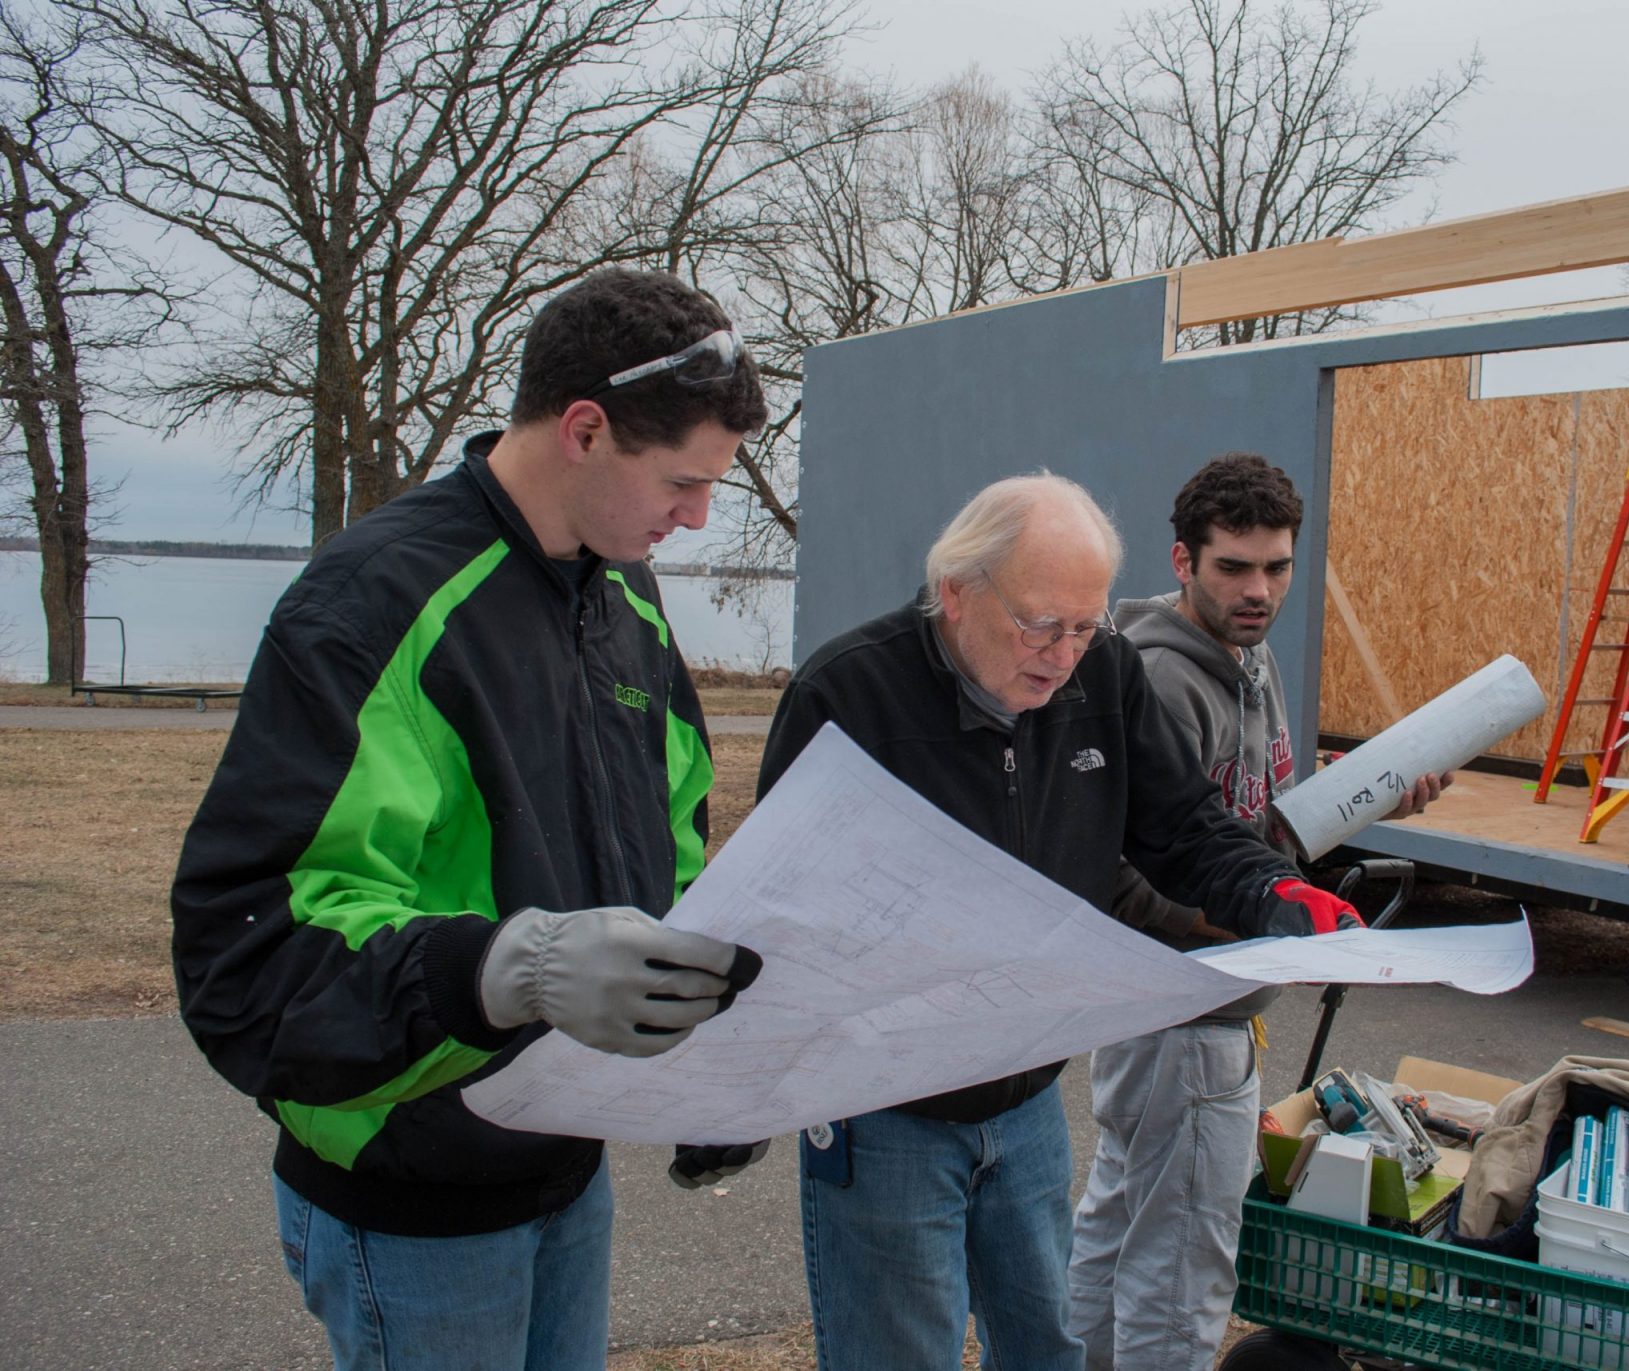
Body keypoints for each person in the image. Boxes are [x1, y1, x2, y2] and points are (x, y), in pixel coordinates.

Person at [170, 268, 772, 1370]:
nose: (696, 517)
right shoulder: (373, 603)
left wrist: (707, 1052)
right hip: (412, 1191)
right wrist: (510, 967)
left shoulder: (622, 595)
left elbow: (672, 847)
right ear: (584, 430)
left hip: (561, 1162)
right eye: (683, 483)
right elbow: (247, 960)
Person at [758, 471, 1379, 1371]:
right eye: (1041, 624)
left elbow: (1184, 825)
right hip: (887, 1105)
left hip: (1024, 1094)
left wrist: (1275, 895)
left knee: (1051, 1345)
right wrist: (740, 1090)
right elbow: (775, 914)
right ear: (956, 592)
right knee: (901, 1352)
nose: (1063, 653)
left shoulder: (1104, 672)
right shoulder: (850, 696)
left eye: (1086, 626)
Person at [1068, 453, 1446, 1370]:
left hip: (1202, 1004)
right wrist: (1259, 935)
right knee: (1185, 1264)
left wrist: (1369, 797)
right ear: (1181, 561)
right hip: (1187, 1007)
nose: (1259, 589)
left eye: (1276, 566)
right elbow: (1132, 868)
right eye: (1233, 566)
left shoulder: (1249, 656)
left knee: (1121, 1223)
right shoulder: (1164, 678)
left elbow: (1252, 826)